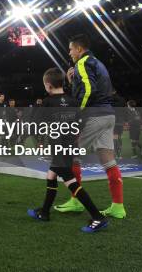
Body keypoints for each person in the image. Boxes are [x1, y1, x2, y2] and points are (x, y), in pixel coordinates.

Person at [27, 68, 108, 233]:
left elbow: (35, 125)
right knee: (51, 175)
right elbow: (81, 122)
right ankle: (44, 212)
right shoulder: (73, 101)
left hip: (57, 148)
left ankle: (97, 216)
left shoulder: (47, 102)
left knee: (70, 182)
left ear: (48, 86)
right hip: (70, 146)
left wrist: (40, 140)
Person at [57, 34, 125, 219]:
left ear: (79, 49)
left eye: (71, 49)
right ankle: (118, 207)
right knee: (108, 160)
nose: (69, 53)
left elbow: (89, 91)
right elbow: (92, 88)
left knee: (70, 156)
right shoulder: (98, 63)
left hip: (94, 115)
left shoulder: (82, 63)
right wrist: (73, 82)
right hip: (108, 115)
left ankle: (76, 201)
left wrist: (77, 112)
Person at [112, 90, 127, 159]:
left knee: (115, 137)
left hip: (114, 120)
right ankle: (119, 154)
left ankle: (115, 154)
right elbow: (125, 110)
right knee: (119, 137)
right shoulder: (122, 99)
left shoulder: (111, 99)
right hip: (121, 121)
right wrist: (125, 120)